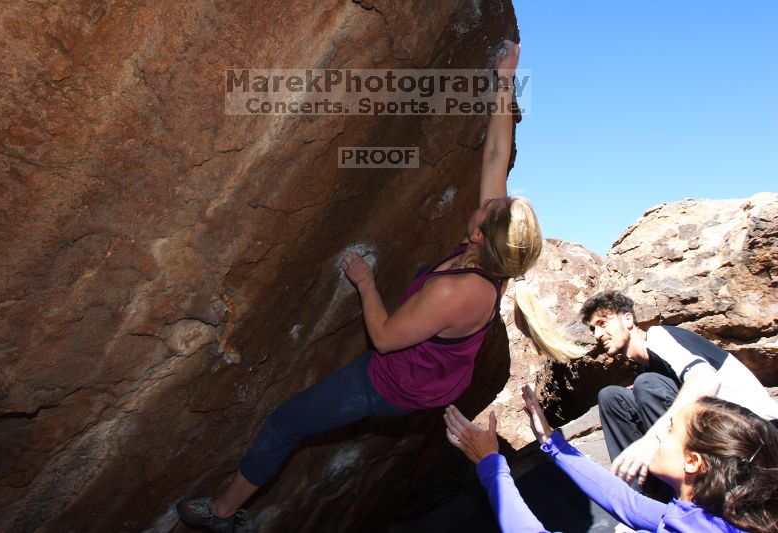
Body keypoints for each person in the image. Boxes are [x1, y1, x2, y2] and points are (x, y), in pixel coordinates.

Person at [176, 41, 583, 533]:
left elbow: (387, 339)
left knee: (285, 423)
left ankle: (221, 513)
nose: (494, 196)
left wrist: (365, 281)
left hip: (395, 382)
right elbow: (496, 152)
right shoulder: (491, 250)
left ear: (479, 233)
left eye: (495, 205)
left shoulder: (460, 291)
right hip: (433, 368)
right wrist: (505, 77)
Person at [444, 386, 778, 533]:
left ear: (693, 462)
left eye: (670, 431)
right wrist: (551, 443)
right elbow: (629, 505)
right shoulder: (715, 519)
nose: (657, 435)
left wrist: (490, 464)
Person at [580, 291, 778, 490]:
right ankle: (645, 502)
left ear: (628, 319)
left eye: (602, 323)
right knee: (612, 398)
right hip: (720, 435)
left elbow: (706, 379)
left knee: (647, 384)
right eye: (592, 329)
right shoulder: (650, 367)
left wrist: (652, 440)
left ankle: (693, 494)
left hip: (756, 437)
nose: (597, 335)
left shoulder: (660, 336)